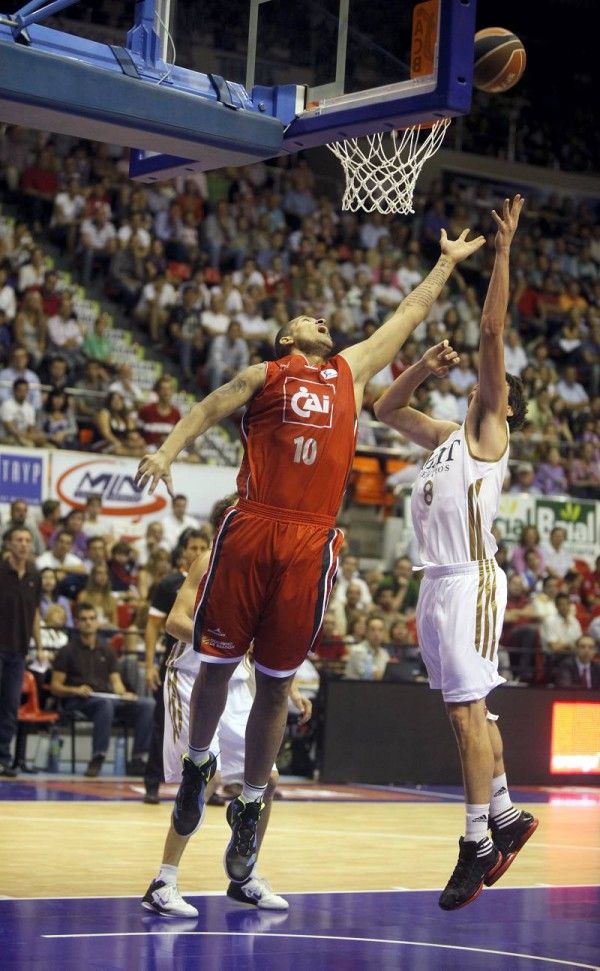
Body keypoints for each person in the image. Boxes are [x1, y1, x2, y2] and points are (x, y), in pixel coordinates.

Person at [135, 222, 485, 886]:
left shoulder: (348, 371)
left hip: (311, 539)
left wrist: (444, 265)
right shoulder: (264, 373)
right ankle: (200, 764)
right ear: (289, 337)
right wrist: (167, 449)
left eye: (324, 318)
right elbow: (208, 407)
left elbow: (407, 315)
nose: (322, 319)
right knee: (214, 665)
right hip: (254, 523)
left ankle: (251, 800)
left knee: (272, 685)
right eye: (309, 318)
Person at [374, 196, 538, 911]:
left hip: (471, 581)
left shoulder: (488, 431)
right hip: (436, 585)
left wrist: (502, 253)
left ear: (503, 403)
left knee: (470, 715)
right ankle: (504, 813)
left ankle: (477, 841)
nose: (477, 379)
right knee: (464, 714)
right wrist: (420, 368)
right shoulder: (448, 432)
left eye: (485, 381)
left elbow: (493, 329)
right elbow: (384, 409)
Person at [142, 507, 311, 917]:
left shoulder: (268, 568)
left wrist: (293, 689)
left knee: (266, 780)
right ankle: (163, 881)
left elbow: (268, 646)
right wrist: (225, 641)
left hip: (238, 685)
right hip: (191, 678)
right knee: (206, 775)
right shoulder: (209, 559)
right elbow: (174, 622)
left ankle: (245, 877)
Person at [142, 530, 212, 804]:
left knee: (208, 724)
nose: (197, 552)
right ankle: (151, 783)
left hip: (207, 663)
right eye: (192, 547)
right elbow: (152, 626)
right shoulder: (168, 584)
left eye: (201, 547)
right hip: (175, 664)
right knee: (162, 724)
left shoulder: (216, 580)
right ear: (183, 551)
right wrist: (149, 665)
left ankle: (210, 784)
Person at [50, 603, 155, 778]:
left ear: (97, 622)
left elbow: (116, 681)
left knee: (147, 704)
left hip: (105, 697)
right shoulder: (66, 651)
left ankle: (138, 758)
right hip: (77, 700)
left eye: (92, 619)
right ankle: (97, 757)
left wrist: (124, 693)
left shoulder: (107, 650)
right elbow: (55, 687)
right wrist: (75, 690)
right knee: (104, 704)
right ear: (76, 623)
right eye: (84, 619)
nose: (88, 623)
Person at [0, 527, 43, 777]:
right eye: (19, 540)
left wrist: (38, 646)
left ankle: (3, 758)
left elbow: (35, 612)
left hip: (19, 650)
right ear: (8, 544)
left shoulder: (34, 575)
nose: (24, 545)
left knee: (10, 705)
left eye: (28, 540)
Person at [344, 614, 390, 681]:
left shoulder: (384, 653)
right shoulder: (358, 651)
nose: (376, 634)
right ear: (366, 632)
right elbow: (372, 675)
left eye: (380, 630)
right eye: (372, 630)